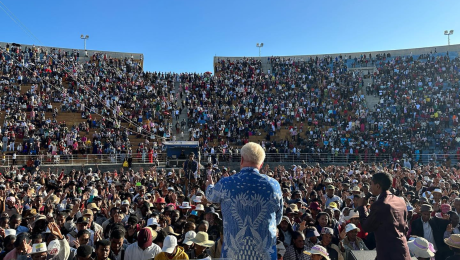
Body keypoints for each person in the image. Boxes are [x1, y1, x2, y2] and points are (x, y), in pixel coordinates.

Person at [206, 142, 283, 260]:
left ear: (241, 159)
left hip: (233, 255)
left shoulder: (226, 183)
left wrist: (209, 186)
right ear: (261, 164)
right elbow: (277, 219)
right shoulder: (274, 185)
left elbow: (210, 197)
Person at [357, 172, 411, 260]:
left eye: (372, 184)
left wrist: (362, 207)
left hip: (388, 254)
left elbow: (366, 227)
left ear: (378, 186)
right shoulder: (400, 201)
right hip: (403, 251)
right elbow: (405, 228)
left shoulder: (380, 204)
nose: (370, 187)